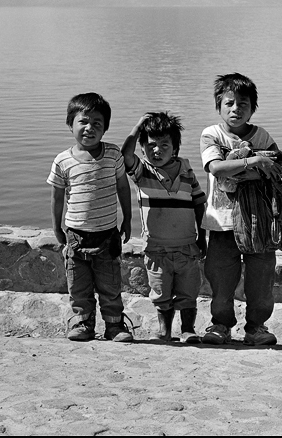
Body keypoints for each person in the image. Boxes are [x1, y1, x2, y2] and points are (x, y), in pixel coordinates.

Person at [200, 73, 282, 346]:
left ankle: (257, 327)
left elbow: (279, 169)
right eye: (230, 103)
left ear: (252, 108)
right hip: (222, 223)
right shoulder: (212, 134)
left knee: (261, 279)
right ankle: (220, 325)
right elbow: (216, 167)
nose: (236, 109)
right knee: (221, 277)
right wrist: (254, 162)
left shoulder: (263, 136)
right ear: (219, 106)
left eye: (243, 104)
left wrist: (254, 165)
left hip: (259, 221)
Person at [47, 92, 133, 342]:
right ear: (70, 124)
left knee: (110, 284)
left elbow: (123, 187)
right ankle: (83, 324)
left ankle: (115, 326)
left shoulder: (113, 155)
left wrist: (127, 219)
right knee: (79, 284)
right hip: (76, 235)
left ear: (105, 128)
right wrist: (56, 227)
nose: (89, 128)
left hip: (108, 233)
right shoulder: (63, 160)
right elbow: (57, 197)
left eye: (97, 123)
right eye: (83, 121)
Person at [121, 112, 207, 343]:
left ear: (175, 148)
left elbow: (199, 202)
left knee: (188, 293)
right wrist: (139, 126)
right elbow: (124, 155)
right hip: (156, 249)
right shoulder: (142, 172)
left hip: (187, 246)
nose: (156, 150)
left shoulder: (186, 170)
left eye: (164, 145)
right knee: (160, 293)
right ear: (143, 149)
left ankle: (188, 329)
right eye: (151, 146)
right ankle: (164, 331)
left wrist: (202, 236)